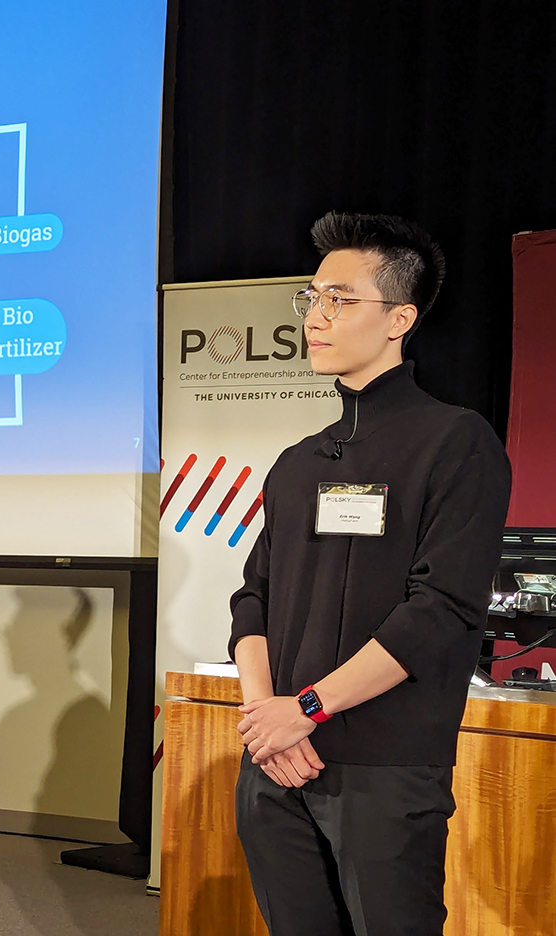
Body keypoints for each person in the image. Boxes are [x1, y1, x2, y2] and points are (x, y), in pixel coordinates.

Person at [229, 212, 510, 935]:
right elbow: (251, 598)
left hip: (383, 772)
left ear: (401, 318)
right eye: (312, 298)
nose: (316, 318)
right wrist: (269, 724)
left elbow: (441, 610)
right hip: (278, 767)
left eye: (341, 300)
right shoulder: (298, 461)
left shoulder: (455, 442)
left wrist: (308, 709)